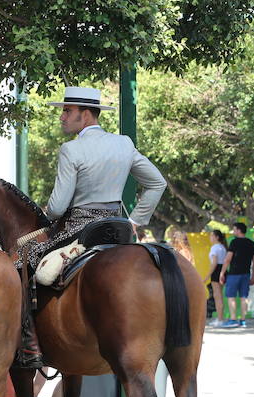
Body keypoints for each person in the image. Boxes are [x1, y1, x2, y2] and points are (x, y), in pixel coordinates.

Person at [18, 86, 167, 369]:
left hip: (79, 228)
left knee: (25, 261)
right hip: (118, 227)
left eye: (67, 111)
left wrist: (48, 212)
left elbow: (58, 208)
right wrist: (136, 220)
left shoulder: (71, 149)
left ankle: (29, 346)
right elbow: (157, 183)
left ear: (85, 115)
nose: (62, 117)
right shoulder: (124, 143)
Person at [219, 222, 254, 328]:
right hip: (246, 274)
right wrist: (253, 276)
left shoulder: (234, 242)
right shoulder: (251, 243)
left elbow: (227, 259)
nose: (233, 231)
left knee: (231, 297)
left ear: (239, 230)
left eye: (234, 229)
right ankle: (243, 321)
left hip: (234, 274)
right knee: (244, 297)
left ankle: (233, 319)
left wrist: (222, 273)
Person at [207, 229, 229, 326]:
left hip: (216, 271)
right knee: (219, 296)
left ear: (217, 237)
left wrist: (207, 276)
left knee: (217, 296)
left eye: (212, 236)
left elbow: (214, 263)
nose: (210, 238)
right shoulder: (223, 247)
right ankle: (220, 318)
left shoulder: (215, 247)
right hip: (223, 270)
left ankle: (220, 319)